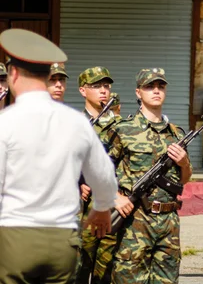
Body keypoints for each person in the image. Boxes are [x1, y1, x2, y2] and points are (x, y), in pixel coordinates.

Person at [0, 28, 117, 284]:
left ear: (14, 74)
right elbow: (105, 175)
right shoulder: (76, 122)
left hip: (16, 237)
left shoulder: (5, 122)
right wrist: (102, 208)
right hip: (63, 240)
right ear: (47, 77)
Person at [108, 68, 192, 284]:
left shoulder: (177, 134)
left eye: (160, 86)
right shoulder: (123, 130)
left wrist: (183, 162)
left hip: (169, 222)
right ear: (138, 92)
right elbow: (100, 169)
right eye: (149, 87)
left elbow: (184, 179)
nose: (156, 91)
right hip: (135, 220)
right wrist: (116, 196)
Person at [75, 66, 121, 284]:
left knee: (107, 274)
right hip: (81, 211)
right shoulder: (73, 124)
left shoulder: (121, 127)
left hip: (111, 209)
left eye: (106, 86)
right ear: (83, 91)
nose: (103, 90)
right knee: (79, 271)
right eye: (96, 86)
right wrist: (77, 183)